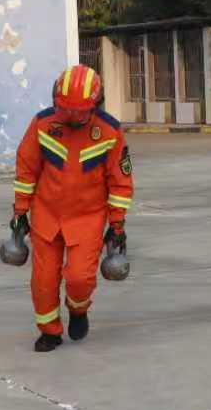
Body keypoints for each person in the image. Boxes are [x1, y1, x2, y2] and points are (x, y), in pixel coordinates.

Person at [11, 64, 133, 352]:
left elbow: (120, 182)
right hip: (46, 215)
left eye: (79, 112)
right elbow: (26, 169)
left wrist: (117, 224)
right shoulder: (42, 125)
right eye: (64, 109)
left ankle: (78, 310)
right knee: (43, 281)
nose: (71, 116)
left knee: (79, 278)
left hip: (87, 218)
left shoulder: (109, 132)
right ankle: (50, 331)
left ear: (96, 105)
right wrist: (20, 211)